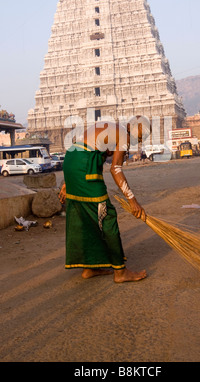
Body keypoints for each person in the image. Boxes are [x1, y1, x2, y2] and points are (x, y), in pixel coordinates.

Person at [59, 116, 150, 283]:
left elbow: (84, 146)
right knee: (107, 216)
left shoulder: (110, 127)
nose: (136, 143)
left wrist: (68, 182)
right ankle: (120, 272)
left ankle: (89, 268)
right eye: (139, 139)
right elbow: (115, 169)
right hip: (84, 164)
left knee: (85, 217)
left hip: (72, 160)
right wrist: (132, 200)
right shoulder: (123, 134)